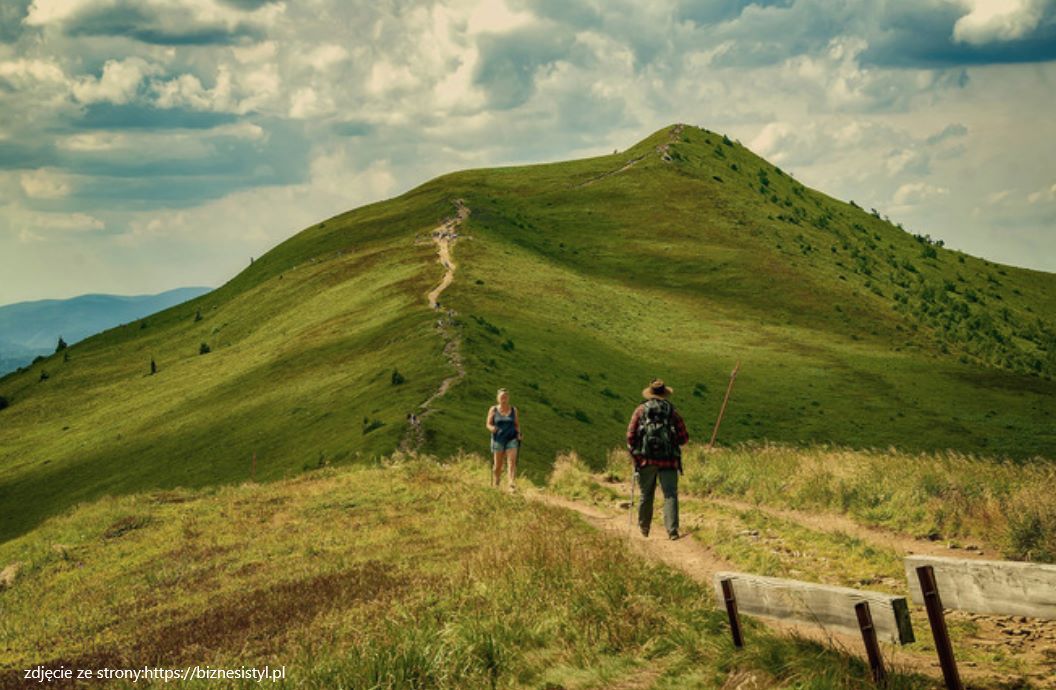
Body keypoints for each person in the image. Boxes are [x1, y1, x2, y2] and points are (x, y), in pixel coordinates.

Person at [626, 378, 689, 540]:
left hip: (646, 460)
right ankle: (672, 531)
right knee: (670, 495)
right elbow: (683, 438)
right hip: (668, 460)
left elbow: (630, 436)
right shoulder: (672, 412)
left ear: (650, 393)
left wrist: (635, 456)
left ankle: (644, 528)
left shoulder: (640, 410)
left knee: (646, 494)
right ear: (665, 394)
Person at [486, 388, 522, 491]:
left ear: (508, 398)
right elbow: (488, 424)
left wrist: (518, 434)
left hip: (511, 438)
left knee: (511, 462)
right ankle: (496, 482)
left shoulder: (514, 410)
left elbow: (516, 425)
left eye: (505, 397)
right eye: (502, 397)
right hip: (498, 439)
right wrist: (492, 428)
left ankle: (511, 484)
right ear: (498, 398)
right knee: (498, 465)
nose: (504, 399)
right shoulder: (493, 409)